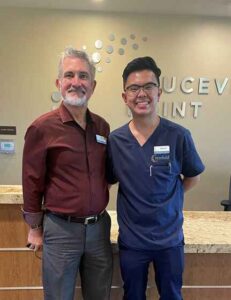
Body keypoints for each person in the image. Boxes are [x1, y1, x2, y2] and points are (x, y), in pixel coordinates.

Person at [107, 56, 205, 300]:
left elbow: (192, 177)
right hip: (132, 241)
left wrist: (169, 200)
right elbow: (108, 180)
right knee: (133, 296)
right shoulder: (116, 141)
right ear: (124, 96)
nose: (142, 94)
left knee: (172, 295)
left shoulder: (178, 135)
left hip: (169, 240)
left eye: (148, 86)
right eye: (134, 88)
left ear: (159, 92)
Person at [22, 47, 113, 300]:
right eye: (69, 75)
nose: (76, 82)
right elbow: (31, 182)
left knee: (99, 295)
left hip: (99, 228)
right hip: (61, 230)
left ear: (92, 85)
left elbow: (108, 172)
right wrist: (34, 228)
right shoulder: (42, 128)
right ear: (59, 83)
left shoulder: (103, 127)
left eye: (83, 76)